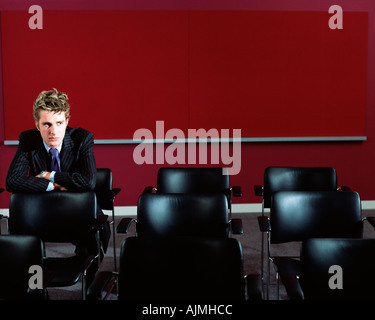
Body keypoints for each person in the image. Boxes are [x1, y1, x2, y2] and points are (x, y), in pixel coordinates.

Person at [6, 88, 110, 257]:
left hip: (77, 210)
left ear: (67, 122)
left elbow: (88, 182)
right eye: (47, 124)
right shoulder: (28, 140)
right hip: (40, 209)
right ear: (37, 125)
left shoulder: (82, 138)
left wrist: (49, 175)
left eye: (59, 123)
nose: (53, 132)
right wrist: (53, 186)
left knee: (91, 247)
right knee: (22, 250)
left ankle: (90, 281)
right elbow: (12, 181)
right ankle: (35, 281)